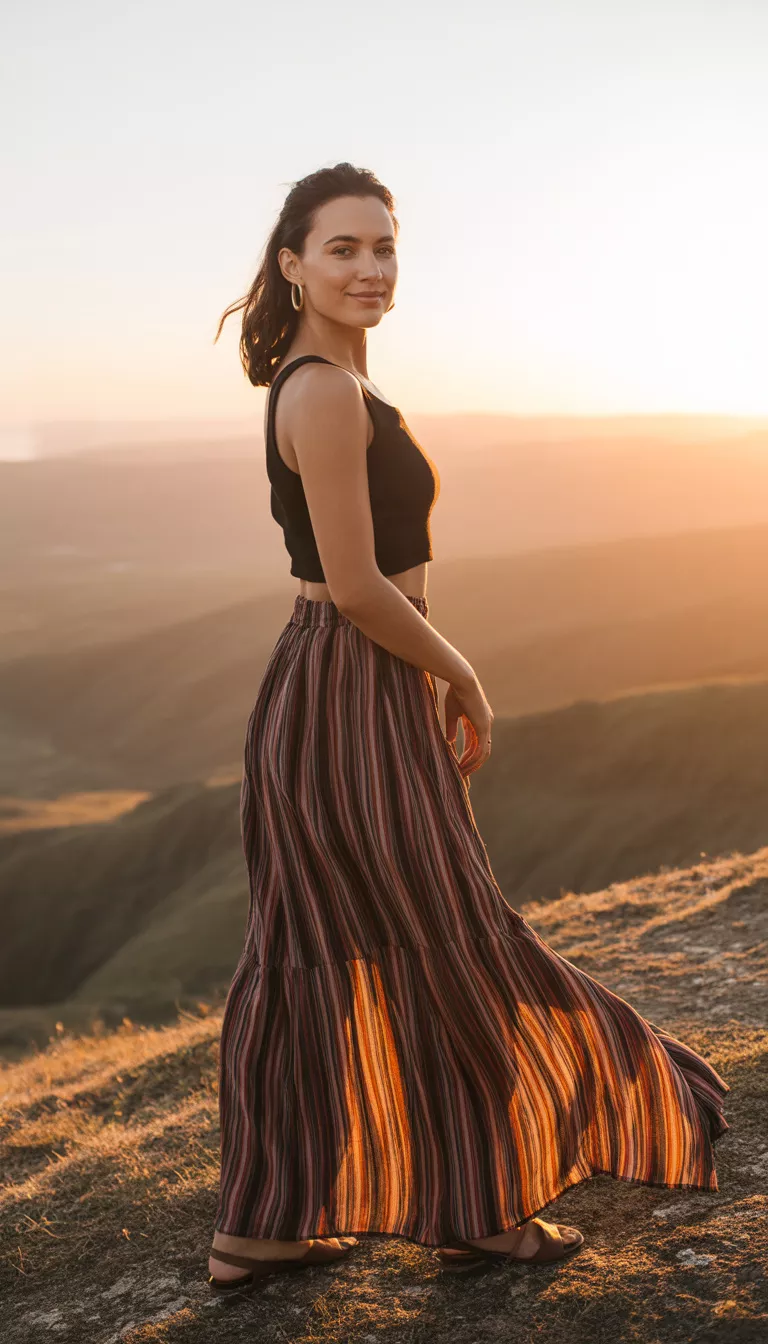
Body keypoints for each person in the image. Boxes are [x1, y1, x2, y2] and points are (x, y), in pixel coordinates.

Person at [206, 162, 730, 1296]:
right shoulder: (325, 393)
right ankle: (479, 1211)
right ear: (292, 263)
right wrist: (465, 675)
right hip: (353, 686)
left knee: (333, 949)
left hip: (342, 691)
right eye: (343, 248)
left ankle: (265, 1227)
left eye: (385, 248)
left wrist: (425, 672)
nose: (371, 269)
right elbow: (353, 584)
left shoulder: (327, 382)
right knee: (435, 931)